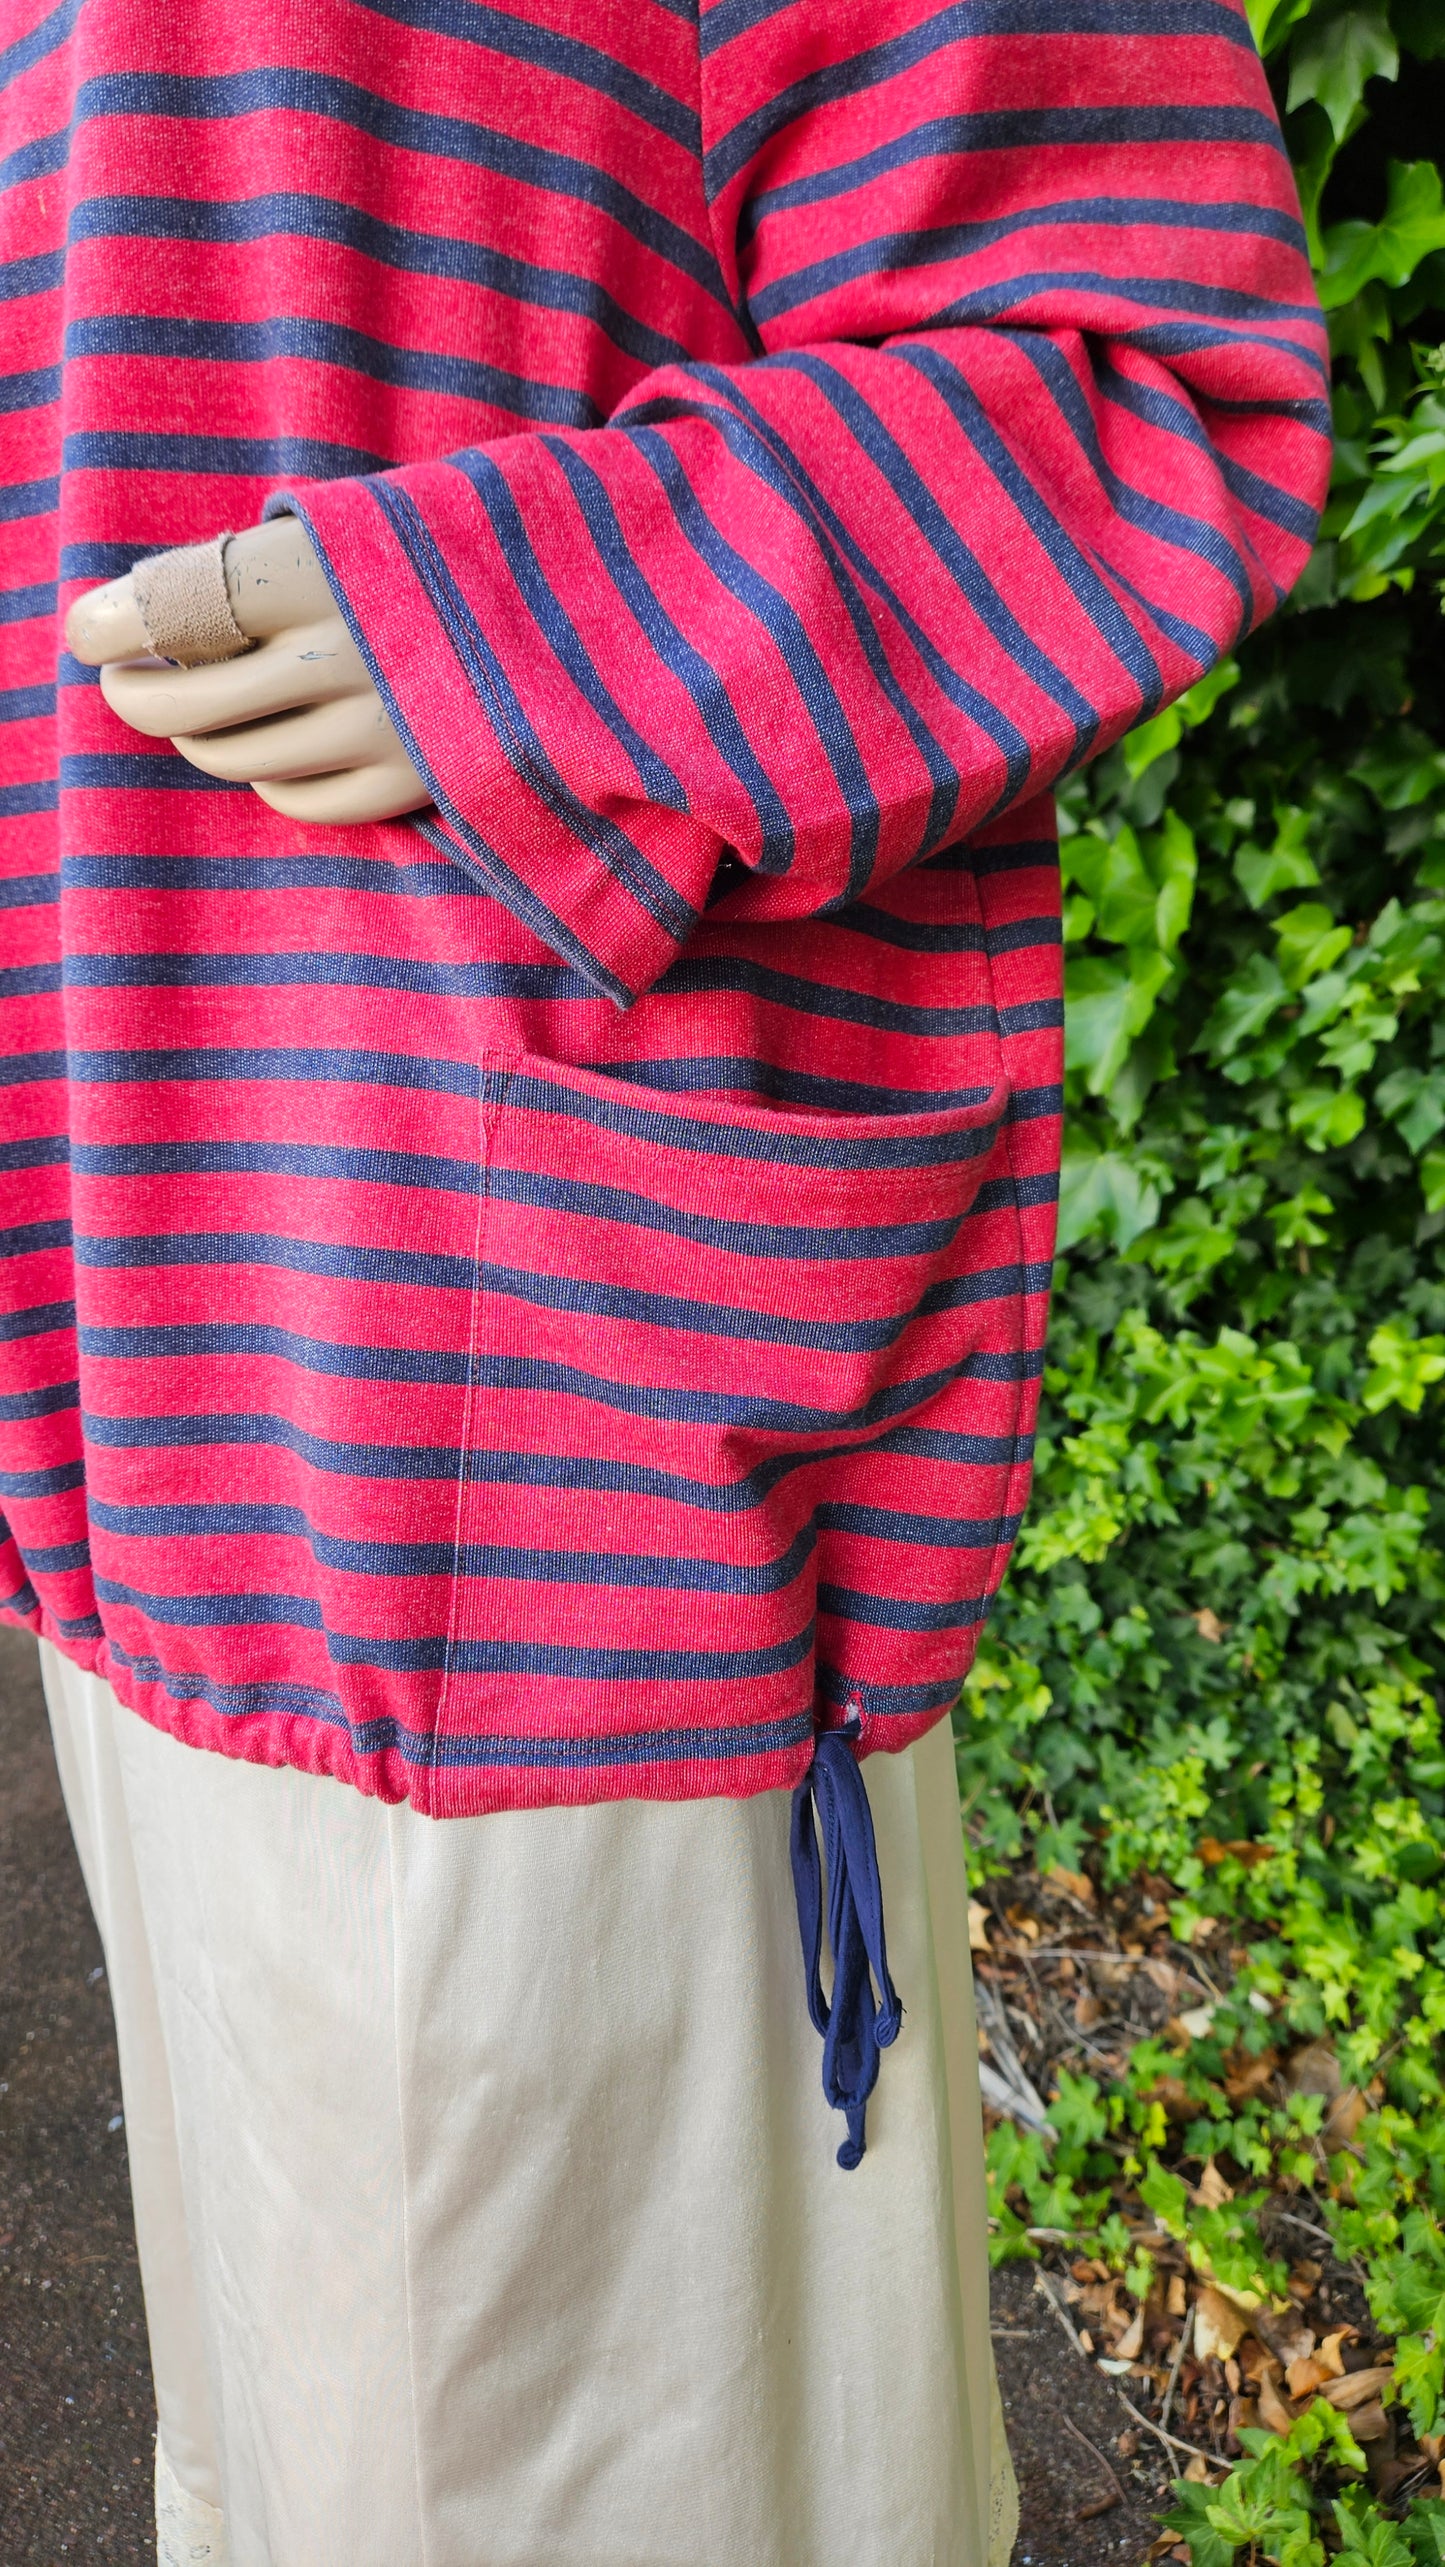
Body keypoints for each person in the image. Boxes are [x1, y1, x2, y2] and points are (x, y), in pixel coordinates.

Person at [0, 0, 1327, 2559]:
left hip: (532, 1518)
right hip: (144, 1414)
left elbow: (1146, 367)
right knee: (287, 2466)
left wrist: (519, 620)